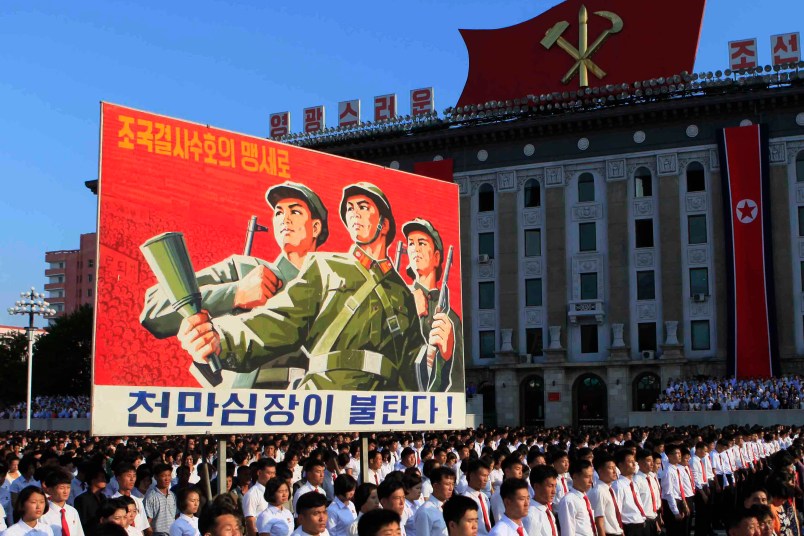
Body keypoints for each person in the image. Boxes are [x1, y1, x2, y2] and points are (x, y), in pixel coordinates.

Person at [178, 183, 440, 392]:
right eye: (349, 209)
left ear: (384, 224)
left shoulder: (403, 293)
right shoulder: (324, 266)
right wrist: (222, 340)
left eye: (363, 207)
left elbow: (411, 368)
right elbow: (280, 320)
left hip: (380, 405)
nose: (354, 214)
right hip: (326, 395)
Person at [402, 218, 464, 392]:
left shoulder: (452, 319)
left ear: (436, 257)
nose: (415, 249)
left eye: (422, 243)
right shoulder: (399, 298)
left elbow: (457, 381)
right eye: (411, 244)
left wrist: (446, 356)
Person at [610, 450, 647, 536]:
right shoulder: (618, 486)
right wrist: (620, 530)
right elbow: (617, 511)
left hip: (641, 524)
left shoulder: (633, 483)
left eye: (634, 461)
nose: (634, 464)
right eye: (630, 462)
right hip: (629, 527)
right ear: (620, 465)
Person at [556, 459, 596, 536]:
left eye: (591, 476)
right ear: (575, 477)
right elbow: (567, 532)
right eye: (587, 477)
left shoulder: (584, 498)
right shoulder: (569, 501)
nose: (591, 481)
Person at [42, 469, 86, 536]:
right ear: (50, 490)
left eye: (68, 487)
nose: (66, 491)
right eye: (61, 488)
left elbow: (79, 533)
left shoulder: (73, 511)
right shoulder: (43, 513)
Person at [587, 454, 623, 536]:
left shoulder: (610, 489)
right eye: (610, 468)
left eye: (615, 468)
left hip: (617, 531)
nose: (614, 471)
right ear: (600, 471)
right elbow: (599, 520)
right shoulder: (599, 491)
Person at [414, 467, 455, 536]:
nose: (451, 488)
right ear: (435, 486)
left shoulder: (451, 506)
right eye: (447, 484)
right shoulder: (425, 512)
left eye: (453, 484)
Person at [112, 464, 150, 536]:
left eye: (134, 476)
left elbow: (143, 526)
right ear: (118, 478)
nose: (132, 479)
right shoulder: (112, 501)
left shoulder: (138, 501)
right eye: (128, 476)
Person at [244, 459, 277, 536]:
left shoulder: (275, 491)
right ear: (259, 473)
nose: (272, 476)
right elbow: (250, 521)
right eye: (269, 473)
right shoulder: (252, 494)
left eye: (274, 473)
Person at [524, 465, 558, 536]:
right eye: (550, 486)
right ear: (536, 486)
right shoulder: (531, 516)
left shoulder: (547, 511)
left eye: (555, 486)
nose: (554, 491)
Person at [74, 465, 108, 536]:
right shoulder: (82, 499)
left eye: (104, 477)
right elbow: (81, 523)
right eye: (102, 477)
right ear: (93, 479)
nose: (104, 480)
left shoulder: (103, 497)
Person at [145, 464, 178, 536]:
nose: (167, 479)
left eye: (169, 475)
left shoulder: (173, 495)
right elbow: (147, 522)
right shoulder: (151, 497)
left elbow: (176, 516)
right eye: (163, 476)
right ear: (155, 477)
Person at [461, 460, 492, 536]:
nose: (486, 479)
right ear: (472, 475)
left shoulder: (484, 497)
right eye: (483, 475)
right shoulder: (465, 499)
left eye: (487, 476)